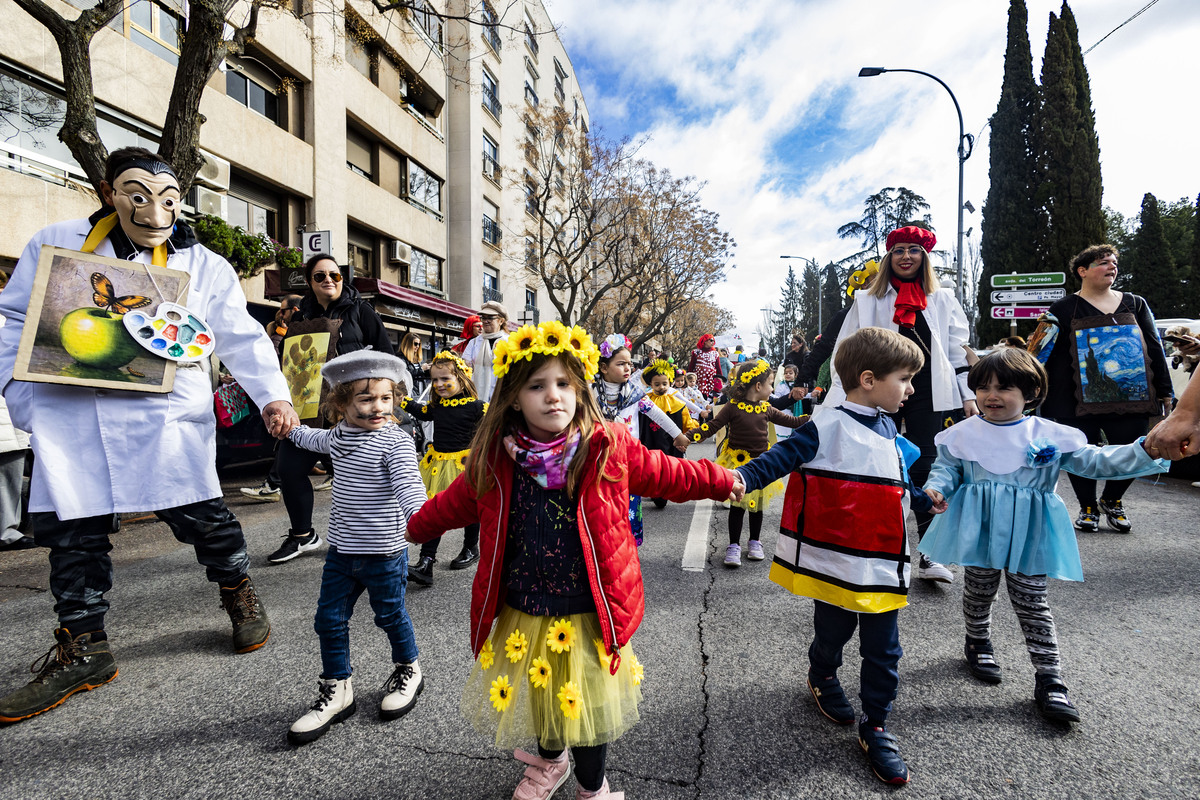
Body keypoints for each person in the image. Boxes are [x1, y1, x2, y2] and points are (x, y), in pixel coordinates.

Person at [0, 147, 297, 723]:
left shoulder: (204, 264)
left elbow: (239, 333)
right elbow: (15, 319)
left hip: (164, 419)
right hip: (73, 415)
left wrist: (274, 396)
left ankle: (238, 590)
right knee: (71, 532)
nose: (152, 208)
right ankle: (85, 647)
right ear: (110, 192)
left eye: (166, 197)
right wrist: (23, 395)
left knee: (203, 520)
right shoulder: (56, 244)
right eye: (136, 194)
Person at [405, 321, 741, 800]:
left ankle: (592, 786)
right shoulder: (494, 457)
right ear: (513, 397)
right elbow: (452, 504)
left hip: (588, 606)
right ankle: (551, 760)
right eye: (537, 386)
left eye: (563, 383)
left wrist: (720, 479)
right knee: (546, 697)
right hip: (528, 603)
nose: (553, 396)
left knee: (589, 708)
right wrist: (412, 530)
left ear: (580, 388)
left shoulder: (608, 445)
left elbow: (668, 473)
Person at [734, 327, 938, 785]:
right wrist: (742, 478)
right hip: (837, 557)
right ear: (868, 379)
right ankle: (822, 674)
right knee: (833, 629)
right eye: (904, 379)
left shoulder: (890, 427)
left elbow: (897, 478)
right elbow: (779, 458)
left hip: (884, 558)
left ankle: (877, 724)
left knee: (884, 649)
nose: (910, 390)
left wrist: (925, 501)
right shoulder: (826, 424)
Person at [918, 348, 1166, 724]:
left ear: (1031, 393)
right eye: (982, 387)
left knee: (1032, 601)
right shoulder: (961, 435)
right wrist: (936, 490)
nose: (991, 395)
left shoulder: (1049, 435)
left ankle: (1050, 677)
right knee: (979, 589)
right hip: (979, 528)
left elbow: (1098, 462)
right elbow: (946, 470)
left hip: (1029, 531)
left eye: (1004, 387)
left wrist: (1144, 449)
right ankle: (978, 641)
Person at [284, 350, 428, 745]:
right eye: (366, 399)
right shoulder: (338, 436)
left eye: (386, 398)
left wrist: (420, 517)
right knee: (328, 621)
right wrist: (288, 428)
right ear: (341, 404)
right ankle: (338, 688)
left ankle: (408, 668)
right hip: (342, 554)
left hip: (384, 552)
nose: (378, 407)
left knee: (390, 615)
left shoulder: (394, 443)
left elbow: (408, 485)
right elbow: (313, 438)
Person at [821, 226, 974, 585]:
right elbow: (846, 349)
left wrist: (967, 396)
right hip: (879, 391)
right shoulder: (866, 300)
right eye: (900, 250)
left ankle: (929, 553)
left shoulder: (943, 299)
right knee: (873, 465)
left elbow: (957, 351)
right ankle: (873, 549)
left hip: (929, 392)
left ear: (925, 258)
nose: (907, 256)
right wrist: (844, 394)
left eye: (915, 250)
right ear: (889, 257)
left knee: (924, 464)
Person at [265, 253, 394, 564]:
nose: (328, 281)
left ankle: (375, 538)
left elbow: (389, 358)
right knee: (289, 469)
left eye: (335, 276)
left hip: (350, 412)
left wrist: (378, 400)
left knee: (357, 476)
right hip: (308, 409)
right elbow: (289, 363)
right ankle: (302, 536)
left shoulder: (360, 311)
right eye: (320, 276)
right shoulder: (299, 317)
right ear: (310, 282)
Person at [1040, 244, 1173, 534]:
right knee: (1078, 452)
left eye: (1114, 262)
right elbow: (1043, 350)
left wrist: (1166, 391)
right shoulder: (1063, 308)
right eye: (1103, 262)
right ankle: (1087, 507)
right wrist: (1033, 392)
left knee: (1138, 449)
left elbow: (1154, 347)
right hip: (1072, 399)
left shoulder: (1135, 303)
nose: (1111, 266)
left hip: (1132, 398)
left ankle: (1112, 500)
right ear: (1082, 271)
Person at [691, 358, 807, 567]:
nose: (772, 388)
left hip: (761, 465)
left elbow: (792, 421)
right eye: (771, 383)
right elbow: (713, 425)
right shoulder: (732, 407)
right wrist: (690, 436)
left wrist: (816, 418)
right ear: (758, 386)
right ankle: (733, 545)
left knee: (757, 507)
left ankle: (755, 541)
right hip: (737, 463)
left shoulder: (767, 408)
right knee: (738, 505)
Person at [399, 351, 487, 585]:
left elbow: (494, 425)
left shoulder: (477, 407)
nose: (438, 384)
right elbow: (420, 411)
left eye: (445, 379)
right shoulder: (437, 407)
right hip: (438, 464)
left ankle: (470, 547)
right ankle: (426, 561)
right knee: (434, 511)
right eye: (434, 380)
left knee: (471, 509)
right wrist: (401, 399)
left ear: (462, 378)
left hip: (464, 465)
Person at [593, 334, 690, 546]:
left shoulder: (635, 394)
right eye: (621, 364)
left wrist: (678, 435)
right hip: (597, 464)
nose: (628, 368)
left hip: (628, 463)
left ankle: (627, 549)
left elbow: (657, 414)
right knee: (602, 516)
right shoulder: (590, 395)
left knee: (628, 512)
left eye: (629, 363)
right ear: (603, 367)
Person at [640, 359, 701, 509]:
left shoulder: (677, 403)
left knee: (669, 467)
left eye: (664, 383)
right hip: (651, 441)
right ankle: (656, 492)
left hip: (670, 442)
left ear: (670, 383)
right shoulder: (644, 402)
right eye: (657, 384)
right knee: (653, 467)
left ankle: (664, 491)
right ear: (650, 385)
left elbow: (687, 421)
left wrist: (690, 434)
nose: (661, 387)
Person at [462, 300, 509, 402]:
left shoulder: (509, 342)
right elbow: (465, 367)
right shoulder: (473, 343)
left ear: (501, 321)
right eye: (483, 318)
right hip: (476, 398)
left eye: (490, 318)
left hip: (501, 397)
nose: (485, 321)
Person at [687, 334, 720, 399]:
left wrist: (720, 379)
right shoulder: (696, 352)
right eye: (711, 340)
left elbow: (718, 367)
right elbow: (691, 366)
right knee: (698, 396)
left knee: (711, 397)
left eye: (713, 341)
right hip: (699, 380)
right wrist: (688, 378)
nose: (712, 342)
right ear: (705, 341)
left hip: (711, 379)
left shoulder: (715, 353)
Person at [398, 331, 429, 398]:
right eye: (415, 344)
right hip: (409, 393)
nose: (417, 346)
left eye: (419, 344)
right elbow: (404, 376)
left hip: (420, 391)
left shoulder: (416, 359)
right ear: (408, 344)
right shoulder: (401, 358)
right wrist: (421, 369)